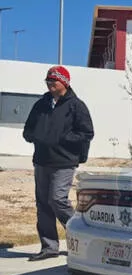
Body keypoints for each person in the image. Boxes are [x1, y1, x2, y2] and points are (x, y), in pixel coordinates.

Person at [23, 66, 94, 261]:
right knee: (43, 204)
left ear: (65, 82)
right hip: (41, 160)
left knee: (57, 200)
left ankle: (81, 237)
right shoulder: (41, 104)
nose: (50, 85)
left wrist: (62, 138)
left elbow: (87, 133)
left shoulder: (76, 106)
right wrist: (34, 136)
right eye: (48, 81)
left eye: (53, 81)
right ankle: (49, 247)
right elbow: (28, 128)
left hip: (64, 161)